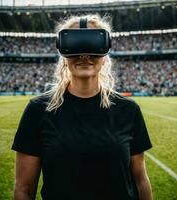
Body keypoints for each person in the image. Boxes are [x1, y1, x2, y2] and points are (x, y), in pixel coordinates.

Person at [12, 14, 153, 200]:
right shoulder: (38, 110)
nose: (85, 56)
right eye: (76, 47)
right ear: (63, 54)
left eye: (93, 47)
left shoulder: (128, 110)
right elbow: (24, 189)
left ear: (105, 54)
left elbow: (140, 180)